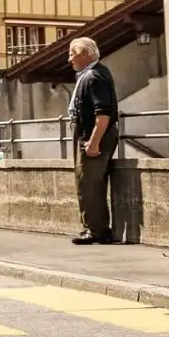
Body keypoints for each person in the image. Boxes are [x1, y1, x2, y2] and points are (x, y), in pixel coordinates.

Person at [67, 37, 120, 245]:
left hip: (91, 135)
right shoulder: (93, 74)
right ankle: (95, 228)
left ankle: (96, 230)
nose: (69, 59)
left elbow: (103, 113)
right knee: (89, 182)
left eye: (73, 54)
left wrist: (94, 141)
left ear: (85, 54)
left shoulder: (93, 77)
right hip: (89, 134)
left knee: (88, 183)